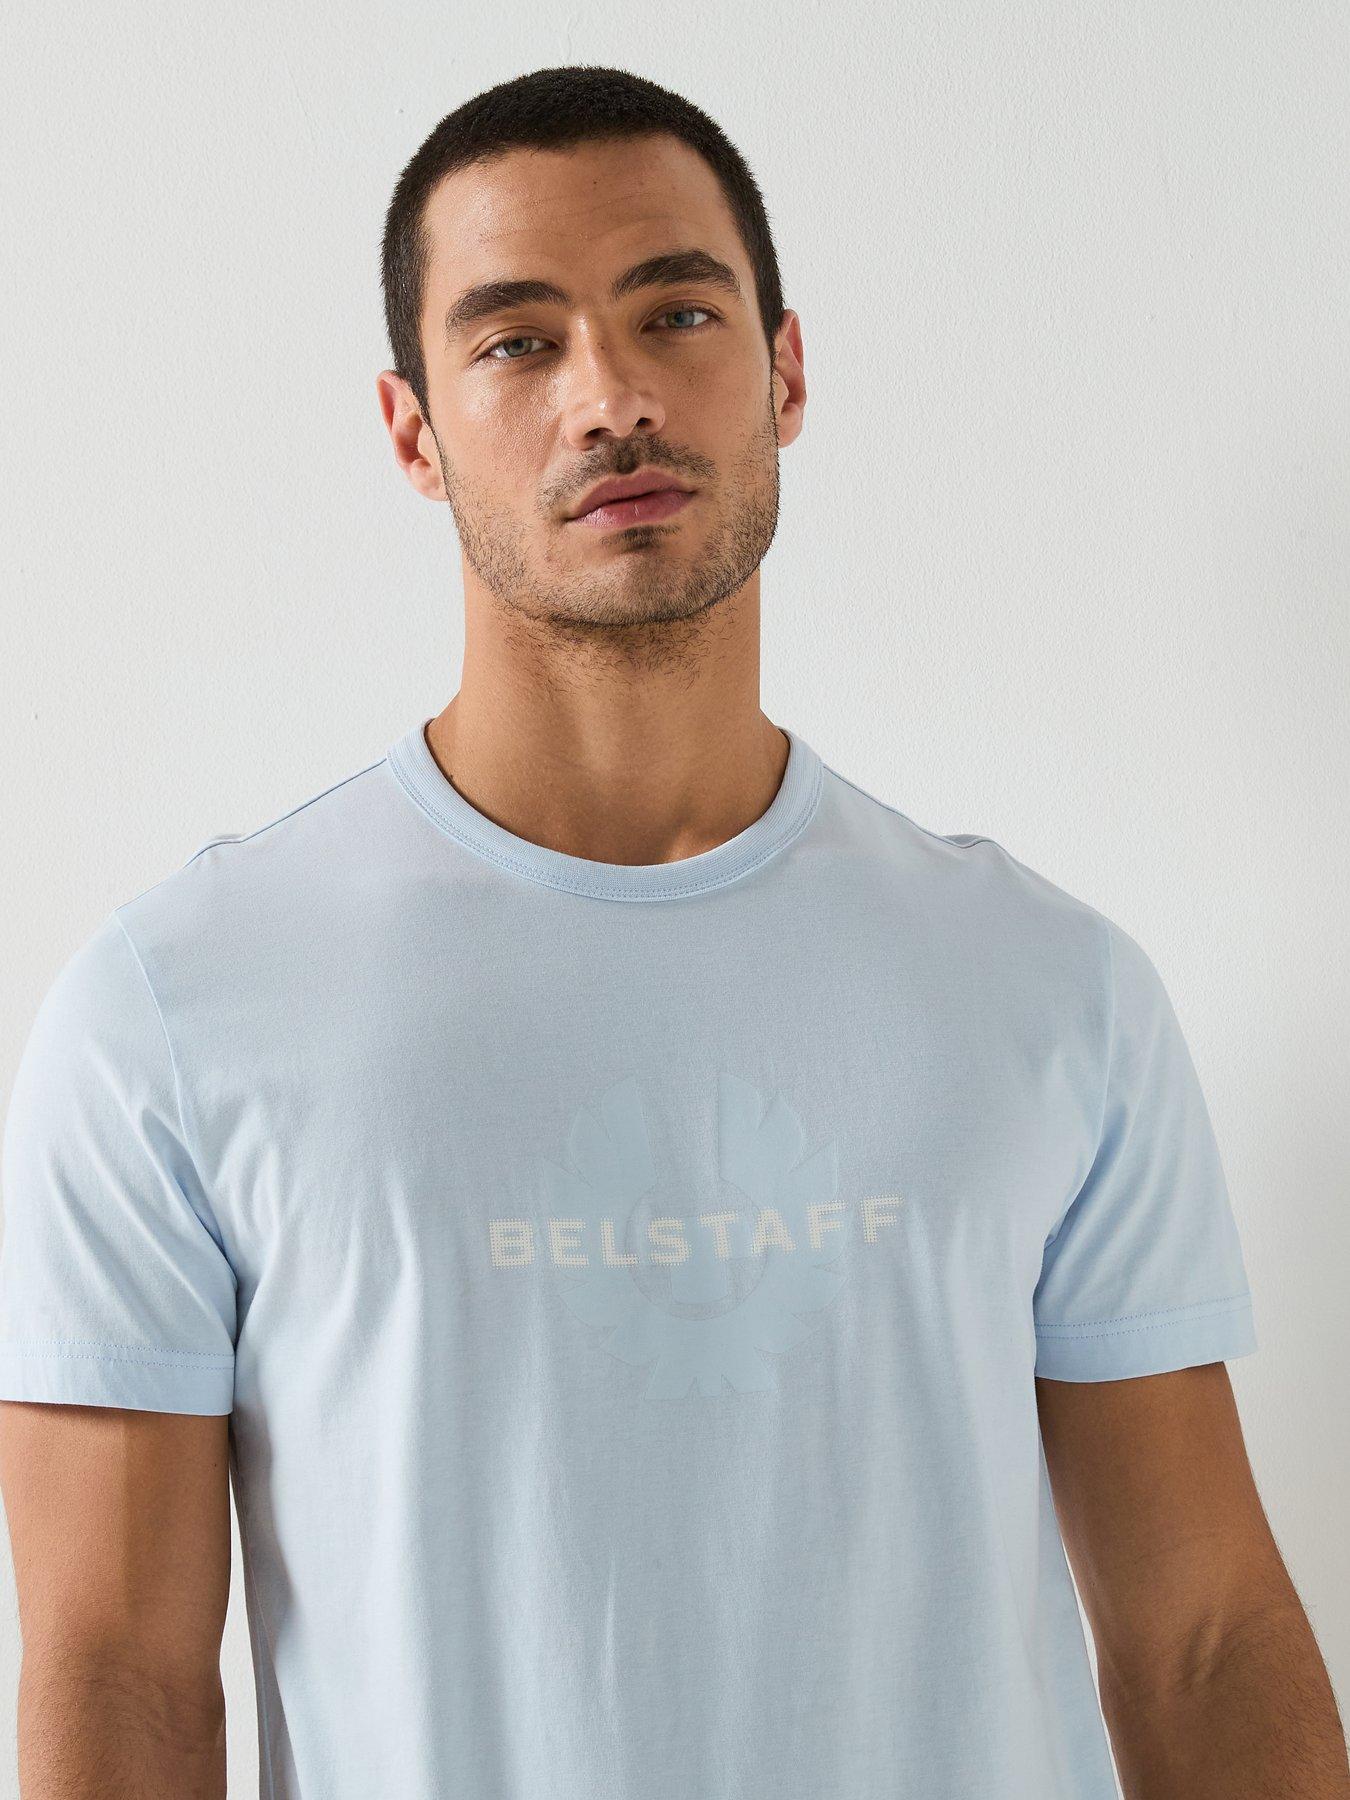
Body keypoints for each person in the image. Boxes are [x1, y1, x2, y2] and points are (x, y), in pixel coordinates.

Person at [0, 62, 1345, 1800]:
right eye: (517, 341)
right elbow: (120, 1682)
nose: (611, 397)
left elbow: (1202, 1641)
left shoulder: (1045, 989)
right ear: (412, 432)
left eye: (676, 314)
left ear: (783, 371)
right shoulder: (177, 1012)